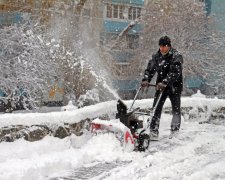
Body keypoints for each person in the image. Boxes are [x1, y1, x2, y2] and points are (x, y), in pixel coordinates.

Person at [141, 36, 183, 140]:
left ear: (169, 46)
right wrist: (146, 79)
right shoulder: (157, 56)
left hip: (174, 87)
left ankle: (175, 131)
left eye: (164, 46)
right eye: (160, 46)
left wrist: (165, 81)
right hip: (161, 87)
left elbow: (175, 72)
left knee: (176, 110)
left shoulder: (176, 56)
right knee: (156, 108)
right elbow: (150, 69)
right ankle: (153, 131)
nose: (162, 48)